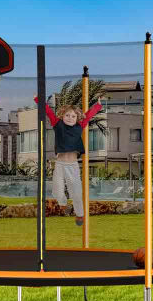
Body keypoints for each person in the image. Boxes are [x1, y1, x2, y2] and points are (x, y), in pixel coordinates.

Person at [34, 95, 102, 225]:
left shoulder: (79, 126)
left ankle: (80, 214)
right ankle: (63, 202)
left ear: (77, 118)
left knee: (76, 191)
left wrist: (97, 106)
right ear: (61, 116)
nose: (70, 118)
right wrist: (38, 99)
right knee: (57, 190)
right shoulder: (57, 123)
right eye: (67, 115)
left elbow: (88, 115)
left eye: (73, 116)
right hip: (59, 164)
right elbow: (47, 110)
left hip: (73, 165)